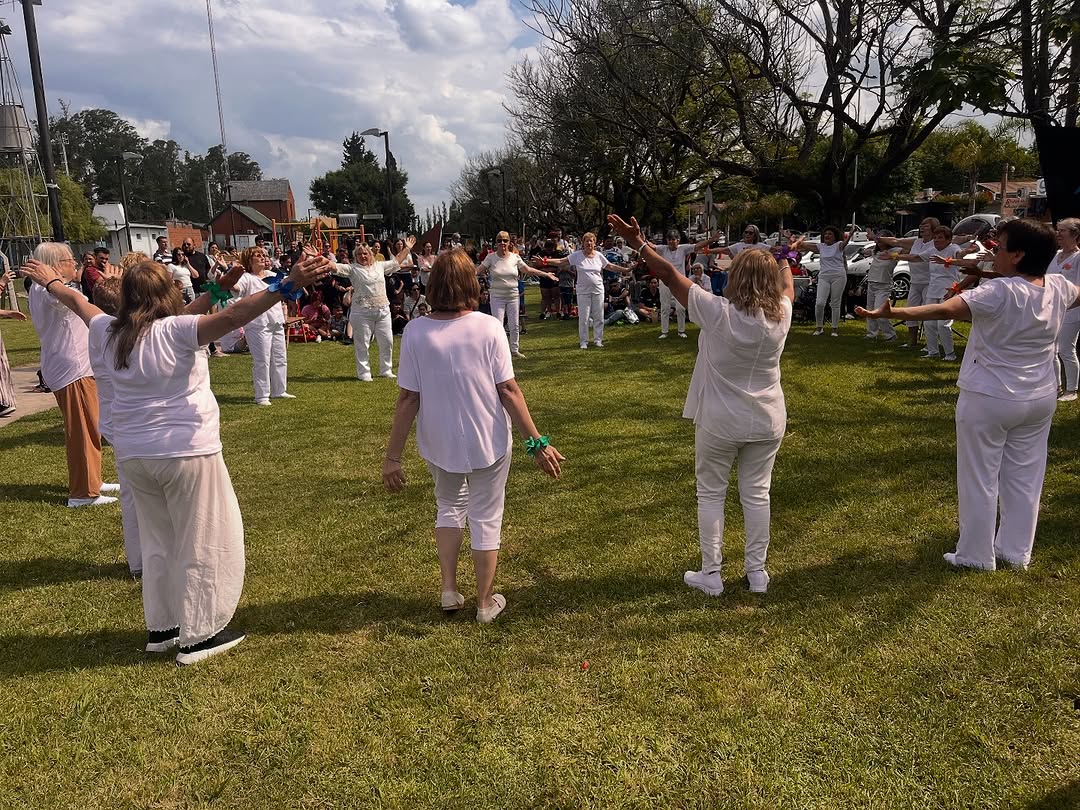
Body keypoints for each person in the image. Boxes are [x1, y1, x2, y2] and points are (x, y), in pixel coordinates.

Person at [22, 252, 331, 663]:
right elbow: (234, 316)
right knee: (206, 538)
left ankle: (163, 628)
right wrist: (286, 285)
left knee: (158, 542)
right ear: (168, 292)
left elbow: (79, 302)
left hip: (135, 456)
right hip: (186, 452)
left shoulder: (108, 330)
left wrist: (50, 282)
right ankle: (200, 636)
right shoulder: (179, 330)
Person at [856, 219, 1080, 571]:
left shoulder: (999, 292)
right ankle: (1015, 552)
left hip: (990, 396)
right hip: (1038, 398)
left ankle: (976, 555)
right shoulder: (1059, 286)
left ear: (1018, 255)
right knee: (1026, 478)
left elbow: (946, 309)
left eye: (999, 248)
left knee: (979, 476)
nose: (993, 253)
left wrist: (895, 311)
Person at [609, 212, 795, 595]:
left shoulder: (718, 312)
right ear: (771, 282)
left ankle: (712, 574)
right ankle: (757, 573)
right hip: (767, 418)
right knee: (757, 494)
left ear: (736, 277)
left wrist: (639, 243)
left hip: (720, 419)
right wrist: (784, 257)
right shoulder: (782, 316)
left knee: (711, 493)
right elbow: (788, 287)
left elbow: (668, 275)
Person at [383, 248, 563, 623]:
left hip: (439, 440)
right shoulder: (489, 327)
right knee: (485, 516)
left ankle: (450, 589)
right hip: (488, 437)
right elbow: (508, 390)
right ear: (471, 284)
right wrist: (537, 443)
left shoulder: (415, 331)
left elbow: (408, 399)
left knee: (449, 506)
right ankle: (484, 602)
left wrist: (392, 457)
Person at [26, 242, 117, 508]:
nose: (75, 264)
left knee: (90, 426)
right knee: (81, 431)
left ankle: (93, 480)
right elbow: (81, 305)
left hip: (72, 366)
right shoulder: (51, 292)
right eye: (69, 260)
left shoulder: (44, 290)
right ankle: (83, 493)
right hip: (72, 369)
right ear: (55, 265)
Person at [334, 237, 416, 381]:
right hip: (361, 312)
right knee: (362, 343)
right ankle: (364, 373)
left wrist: (407, 248)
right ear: (355, 256)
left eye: (365, 253)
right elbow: (333, 266)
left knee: (387, 341)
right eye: (359, 254)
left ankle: (386, 370)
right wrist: (315, 257)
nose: (363, 256)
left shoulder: (380, 266)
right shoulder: (352, 269)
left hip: (383, 310)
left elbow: (396, 261)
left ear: (370, 254)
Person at [537, 232, 630, 348]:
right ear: (583, 243)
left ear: (594, 243)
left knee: (598, 316)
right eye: (587, 241)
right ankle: (584, 341)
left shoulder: (599, 256)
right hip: (583, 291)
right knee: (584, 317)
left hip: (598, 290)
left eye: (591, 241)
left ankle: (598, 340)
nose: (589, 243)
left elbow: (610, 266)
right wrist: (545, 261)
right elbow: (562, 261)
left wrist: (626, 269)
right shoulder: (577, 255)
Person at [479, 231, 557, 360]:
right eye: (499, 240)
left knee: (514, 324)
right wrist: (461, 274)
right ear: (496, 243)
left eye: (505, 240)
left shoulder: (515, 257)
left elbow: (528, 270)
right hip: (497, 296)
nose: (502, 243)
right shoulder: (491, 258)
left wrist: (546, 274)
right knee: (498, 325)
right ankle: (498, 351)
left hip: (513, 296)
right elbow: (478, 270)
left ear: (509, 242)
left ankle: (514, 350)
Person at [232, 246, 295, 405]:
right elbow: (236, 289)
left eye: (263, 255)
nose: (262, 257)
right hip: (257, 324)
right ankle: (262, 395)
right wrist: (229, 277)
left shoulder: (272, 275)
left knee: (280, 357)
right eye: (258, 255)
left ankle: (279, 390)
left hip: (276, 321)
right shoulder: (247, 278)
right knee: (262, 360)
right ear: (249, 260)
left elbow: (290, 281)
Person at [873, 217, 940, 349]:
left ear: (934, 228)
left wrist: (893, 256)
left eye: (926, 226)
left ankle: (930, 344)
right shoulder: (916, 242)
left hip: (929, 282)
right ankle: (912, 341)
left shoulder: (936, 244)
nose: (922, 228)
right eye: (921, 225)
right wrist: (879, 238)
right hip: (915, 282)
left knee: (928, 313)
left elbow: (915, 257)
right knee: (910, 311)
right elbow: (896, 241)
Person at [654, 229, 716, 339]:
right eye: (669, 240)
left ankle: (681, 331)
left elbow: (696, 246)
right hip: (665, 282)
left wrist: (710, 241)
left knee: (680, 308)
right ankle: (664, 331)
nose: (671, 242)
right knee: (665, 307)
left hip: (679, 282)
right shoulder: (663, 249)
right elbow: (650, 247)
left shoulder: (683, 248)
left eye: (673, 239)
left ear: (678, 240)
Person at [1046, 218, 1080, 401]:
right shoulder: (1055, 254)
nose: (1058, 234)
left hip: (1072, 311)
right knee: (1051, 350)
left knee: (1066, 350)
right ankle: (1056, 386)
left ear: (1075, 234)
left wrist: (1066, 304)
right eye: (1057, 230)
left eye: (1063, 231)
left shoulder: (1078, 257)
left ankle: (1071, 390)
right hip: (1051, 309)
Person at [917, 226, 963, 360]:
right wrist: (894, 256)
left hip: (949, 290)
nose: (936, 240)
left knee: (942, 324)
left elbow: (962, 258)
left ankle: (950, 354)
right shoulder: (932, 250)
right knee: (929, 323)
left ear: (948, 240)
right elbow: (915, 257)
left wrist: (949, 260)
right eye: (935, 237)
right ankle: (933, 352)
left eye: (940, 237)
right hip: (933, 290)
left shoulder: (954, 249)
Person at [794, 226, 849, 336]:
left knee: (835, 303)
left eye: (830, 234)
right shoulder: (821, 247)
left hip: (838, 276)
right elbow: (803, 245)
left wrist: (851, 234)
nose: (827, 236)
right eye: (825, 234)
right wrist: (793, 239)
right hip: (824, 276)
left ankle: (834, 329)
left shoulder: (839, 245)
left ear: (835, 237)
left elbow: (845, 243)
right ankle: (819, 328)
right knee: (819, 303)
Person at [863, 233, 900, 341]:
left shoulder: (895, 250)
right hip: (872, 283)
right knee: (870, 310)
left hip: (884, 285)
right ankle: (871, 334)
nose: (879, 241)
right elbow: (864, 251)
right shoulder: (876, 252)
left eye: (881, 238)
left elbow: (907, 249)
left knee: (880, 311)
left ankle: (890, 335)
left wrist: (892, 255)